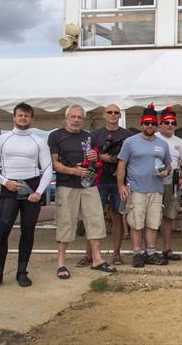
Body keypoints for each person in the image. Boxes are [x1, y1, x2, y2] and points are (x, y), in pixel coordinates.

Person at [0, 102, 53, 289]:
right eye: (20, 115)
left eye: (27, 116)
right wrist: (5, 182)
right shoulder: (2, 139)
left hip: (31, 187)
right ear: (14, 117)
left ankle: (22, 272)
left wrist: (39, 192)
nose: (23, 118)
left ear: (31, 119)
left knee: (28, 232)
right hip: (10, 186)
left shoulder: (38, 141)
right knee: (1, 232)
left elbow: (47, 169)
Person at [50, 105, 116, 279]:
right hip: (66, 185)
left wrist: (94, 159)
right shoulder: (56, 136)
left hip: (89, 184)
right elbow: (54, 164)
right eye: (73, 117)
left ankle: (97, 260)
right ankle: (61, 263)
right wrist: (74, 171)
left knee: (95, 221)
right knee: (66, 222)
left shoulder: (89, 136)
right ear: (66, 117)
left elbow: (94, 162)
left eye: (80, 117)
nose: (76, 120)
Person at [116, 104, 172, 268]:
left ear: (157, 125)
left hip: (156, 189)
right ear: (141, 124)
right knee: (136, 222)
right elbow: (121, 164)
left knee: (153, 223)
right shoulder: (130, 142)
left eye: (153, 124)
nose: (150, 126)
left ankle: (151, 252)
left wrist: (165, 171)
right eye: (147, 123)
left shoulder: (162, 144)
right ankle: (136, 253)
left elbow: (168, 165)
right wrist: (120, 185)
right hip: (136, 189)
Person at [90, 104, 134, 266]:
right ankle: (91, 254)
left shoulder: (128, 135)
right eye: (110, 112)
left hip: (119, 181)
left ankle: (116, 253)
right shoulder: (95, 135)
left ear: (119, 116)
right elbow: (90, 156)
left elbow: (131, 157)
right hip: (99, 180)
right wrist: (103, 158)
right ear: (104, 115)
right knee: (94, 217)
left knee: (118, 216)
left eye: (116, 112)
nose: (113, 115)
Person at [156, 106, 182, 261]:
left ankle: (167, 249)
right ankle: (149, 250)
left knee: (168, 217)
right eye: (166, 122)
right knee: (151, 218)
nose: (170, 125)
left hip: (172, 183)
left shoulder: (179, 142)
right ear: (160, 124)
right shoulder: (153, 137)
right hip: (153, 182)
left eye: (173, 122)